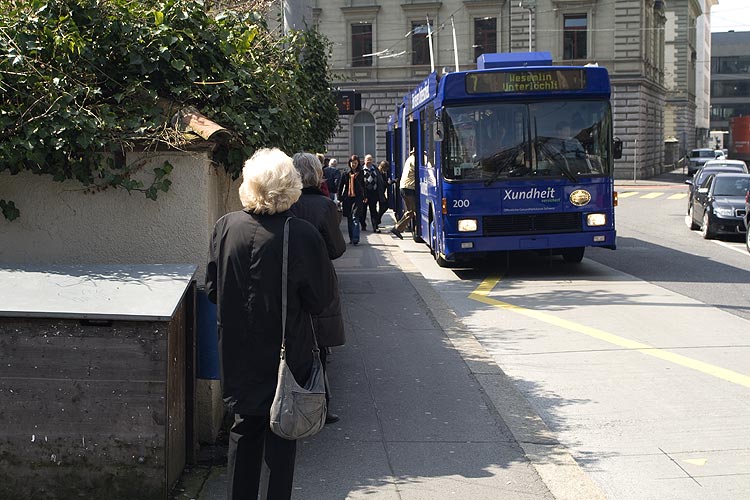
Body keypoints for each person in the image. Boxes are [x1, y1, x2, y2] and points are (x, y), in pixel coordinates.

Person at [205, 148, 336, 500]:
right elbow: (320, 300)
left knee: (243, 429)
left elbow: (213, 290)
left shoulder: (225, 227)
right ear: (290, 187)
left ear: (249, 184)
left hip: (236, 351)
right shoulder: (303, 234)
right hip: (284, 350)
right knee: (282, 433)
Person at [290, 152, 347, 424]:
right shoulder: (325, 206)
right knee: (319, 346)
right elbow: (337, 249)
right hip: (319, 280)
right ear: (317, 173)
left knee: (293, 342)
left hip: (287, 281)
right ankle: (320, 405)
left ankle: (292, 398)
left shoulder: (285, 203)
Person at [337, 154, 365, 245]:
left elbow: (363, 185)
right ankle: (351, 238)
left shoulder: (361, 173)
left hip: (358, 198)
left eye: (355, 163)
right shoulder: (345, 172)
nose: (354, 165)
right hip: (347, 198)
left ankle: (356, 238)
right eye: (352, 163)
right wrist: (339, 197)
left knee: (355, 217)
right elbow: (340, 186)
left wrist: (365, 196)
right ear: (349, 163)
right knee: (349, 218)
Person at [390, 148, 417, 240]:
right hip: (409, 188)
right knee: (412, 211)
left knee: (412, 211)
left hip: (405, 188)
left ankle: (400, 228)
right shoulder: (414, 160)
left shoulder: (409, 159)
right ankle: (397, 228)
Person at [360, 154, 384, 232]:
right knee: (363, 210)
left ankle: (375, 227)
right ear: (364, 161)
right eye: (367, 160)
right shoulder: (361, 170)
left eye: (370, 160)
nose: (369, 162)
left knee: (373, 210)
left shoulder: (375, 169)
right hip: (364, 193)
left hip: (373, 193)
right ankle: (363, 225)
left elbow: (380, 180)